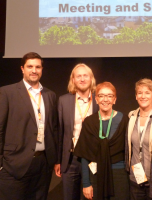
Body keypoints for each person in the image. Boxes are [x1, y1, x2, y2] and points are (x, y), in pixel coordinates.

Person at [0, 52, 58, 200]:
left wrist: (53, 159)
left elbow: (54, 129)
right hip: (14, 164)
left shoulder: (50, 95)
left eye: (38, 67)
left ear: (42, 69)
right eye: (30, 66)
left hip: (42, 164)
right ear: (22, 68)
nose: (34, 70)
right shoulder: (7, 92)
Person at [74, 82, 129, 200]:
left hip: (119, 175)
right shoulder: (89, 122)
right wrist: (86, 183)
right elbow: (84, 155)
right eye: (101, 95)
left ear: (114, 99)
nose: (105, 99)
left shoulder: (124, 120)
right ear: (96, 99)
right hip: (95, 175)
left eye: (109, 96)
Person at [54, 63, 98, 200]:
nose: (82, 79)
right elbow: (59, 132)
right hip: (70, 159)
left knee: (92, 197)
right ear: (73, 80)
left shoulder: (99, 99)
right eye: (78, 76)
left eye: (85, 75)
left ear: (91, 79)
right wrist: (58, 161)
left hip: (93, 159)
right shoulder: (63, 101)